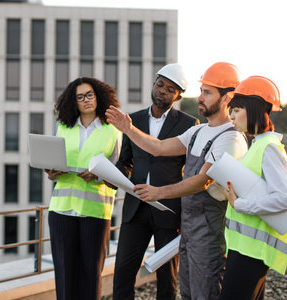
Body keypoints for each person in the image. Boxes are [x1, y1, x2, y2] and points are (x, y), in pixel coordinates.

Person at [106, 62, 248, 300]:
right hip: (188, 225)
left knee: (203, 290)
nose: (200, 97)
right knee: (189, 292)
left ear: (227, 98)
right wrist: (128, 129)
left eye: (207, 92)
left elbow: (202, 181)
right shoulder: (198, 131)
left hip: (203, 227)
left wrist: (158, 193)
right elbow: (159, 147)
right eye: (201, 91)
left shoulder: (230, 138)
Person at [112, 64, 199, 300]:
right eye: (160, 85)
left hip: (169, 210)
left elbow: (192, 171)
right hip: (136, 207)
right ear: (153, 85)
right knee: (122, 273)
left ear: (178, 96)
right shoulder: (133, 120)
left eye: (170, 89)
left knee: (167, 279)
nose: (162, 91)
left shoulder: (190, 125)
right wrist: (111, 175)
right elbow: (126, 161)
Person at [220, 76, 287, 300]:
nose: (231, 116)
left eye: (236, 110)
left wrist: (239, 204)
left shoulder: (269, 147)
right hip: (245, 249)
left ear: (254, 109)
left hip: (252, 252)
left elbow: (283, 199)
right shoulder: (258, 144)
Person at [44, 77, 121, 300]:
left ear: (98, 96)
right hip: (61, 210)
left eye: (89, 94)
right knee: (65, 273)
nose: (86, 100)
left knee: (91, 274)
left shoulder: (112, 130)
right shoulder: (63, 127)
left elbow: (120, 171)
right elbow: (55, 162)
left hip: (95, 211)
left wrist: (99, 174)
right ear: (73, 101)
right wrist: (51, 173)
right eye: (80, 97)